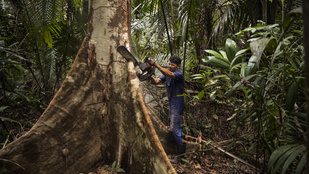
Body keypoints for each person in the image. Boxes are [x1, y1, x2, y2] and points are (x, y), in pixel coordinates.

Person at [148, 55, 185, 164]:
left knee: (174, 129)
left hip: (177, 106)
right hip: (172, 105)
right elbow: (156, 82)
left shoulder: (178, 74)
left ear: (178, 66)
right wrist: (150, 74)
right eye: (169, 64)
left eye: (172, 65)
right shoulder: (166, 74)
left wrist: (156, 65)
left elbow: (169, 74)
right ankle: (179, 150)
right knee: (174, 128)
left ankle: (181, 156)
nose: (169, 66)